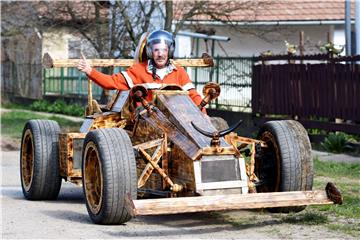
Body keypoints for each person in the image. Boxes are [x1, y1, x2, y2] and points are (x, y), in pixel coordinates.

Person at [77, 30, 204, 112]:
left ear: (169, 51)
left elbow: (194, 97)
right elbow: (111, 82)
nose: (160, 54)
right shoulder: (138, 70)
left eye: (164, 50)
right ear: (150, 52)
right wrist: (89, 70)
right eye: (156, 50)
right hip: (147, 121)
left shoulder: (179, 72)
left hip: (177, 118)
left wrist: (204, 116)